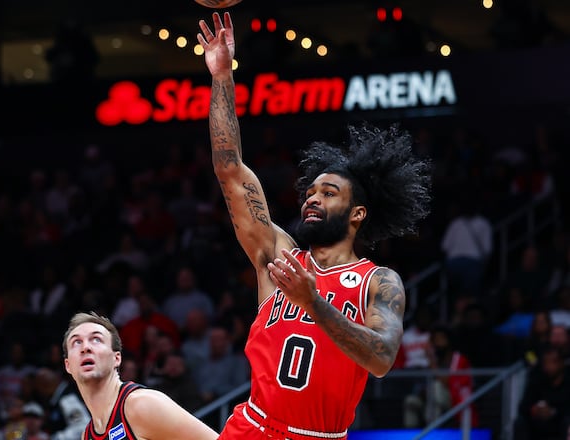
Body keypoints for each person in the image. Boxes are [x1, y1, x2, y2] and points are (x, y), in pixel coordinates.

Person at [197, 12, 432, 439]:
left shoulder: (378, 282)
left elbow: (381, 359)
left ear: (357, 213)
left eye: (328, 193)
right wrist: (223, 78)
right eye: (310, 192)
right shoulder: (279, 257)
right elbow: (229, 170)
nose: (312, 198)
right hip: (252, 429)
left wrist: (313, 302)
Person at [62, 312, 218, 440]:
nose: (86, 347)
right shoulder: (87, 435)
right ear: (68, 365)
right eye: (76, 342)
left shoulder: (142, 405)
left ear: (117, 358)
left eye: (96, 339)